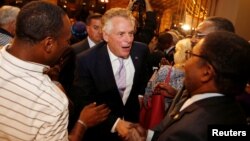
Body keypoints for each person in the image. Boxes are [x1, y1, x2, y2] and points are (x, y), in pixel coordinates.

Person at [0, 1, 109, 141]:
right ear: (49, 44)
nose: (68, 45)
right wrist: (82, 124)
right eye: (67, 41)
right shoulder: (51, 102)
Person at [129, 31, 250, 141]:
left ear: (206, 72)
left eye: (191, 55)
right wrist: (147, 135)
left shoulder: (191, 131)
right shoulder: (231, 110)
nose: (186, 64)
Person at [69, 7, 150, 141]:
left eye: (131, 33)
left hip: (132, 129)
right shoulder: (86, 60)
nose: (128, 39)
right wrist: (115, 123)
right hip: (100, 133)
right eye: (121, 34)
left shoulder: (141, 51)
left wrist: (141, 96)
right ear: (106, 36)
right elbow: (84, 102)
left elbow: (142, 80)